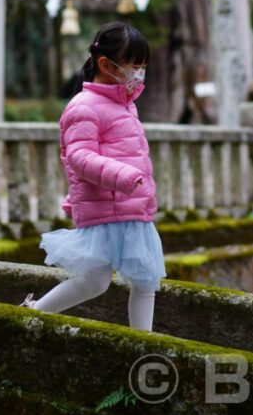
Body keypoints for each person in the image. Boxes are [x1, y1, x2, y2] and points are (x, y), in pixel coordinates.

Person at [19, 22, 165, 332]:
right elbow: (79, 157)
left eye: (143, 66)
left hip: (132, 210)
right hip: (107, 210)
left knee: (146, 281)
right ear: (105, 65)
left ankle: (145, 342)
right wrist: (123, 176)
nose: (140, 73)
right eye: (134, 65)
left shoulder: (126, 106)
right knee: (95, 281)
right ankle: (34, 314)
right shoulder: (83, 107)